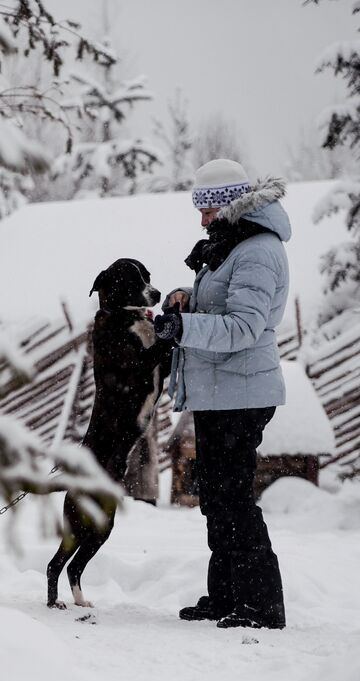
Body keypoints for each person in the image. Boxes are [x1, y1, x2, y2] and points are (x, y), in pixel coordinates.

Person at [151, 159, 288, 630]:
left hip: (242, 393)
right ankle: (226, 596)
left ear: (231, 204)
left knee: (233, 497)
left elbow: (244, 327)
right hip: (220, 392)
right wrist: (183, 301)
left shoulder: (257, 251)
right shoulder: (230, 248)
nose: (203, 220)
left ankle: (262, 605)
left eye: (208, 209)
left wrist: (183, 327)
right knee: (216, 495)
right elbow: (216, 306)